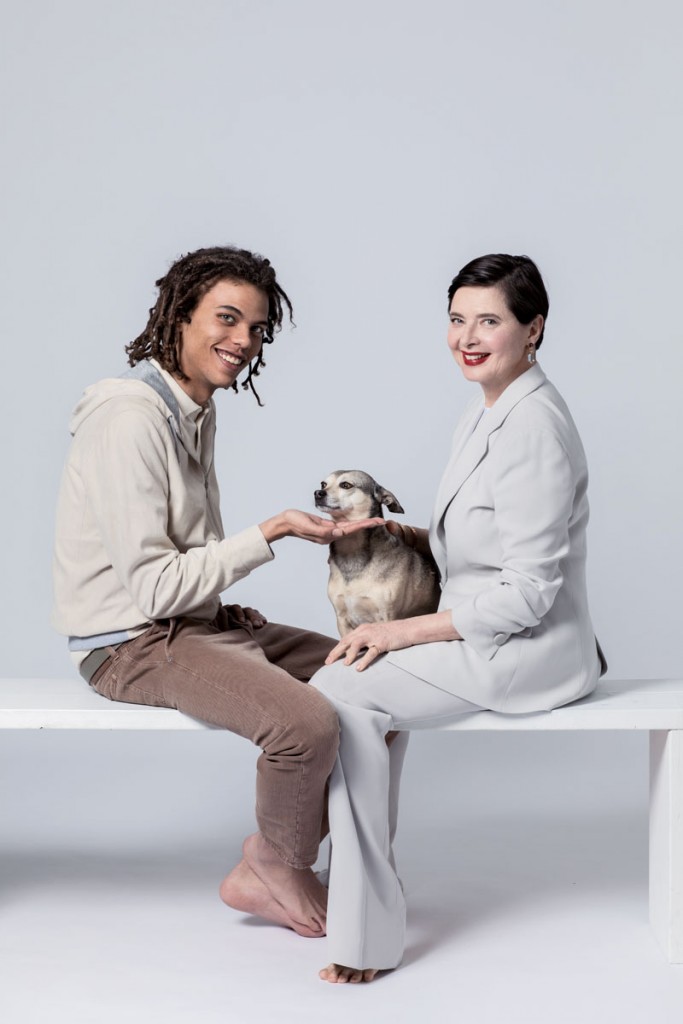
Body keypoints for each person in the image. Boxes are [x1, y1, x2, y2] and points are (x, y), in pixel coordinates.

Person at [51, 245, 380, 939]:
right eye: (226, 320)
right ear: (179, 317)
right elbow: (147, 586)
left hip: (185, 623)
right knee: (305, 723)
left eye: (257, 329)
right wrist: (273, 530)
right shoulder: (129, 419)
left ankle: (329, 855)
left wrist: (216, 610)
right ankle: (274, 867)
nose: (243, 342)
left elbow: (178, 561)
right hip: (129, 645)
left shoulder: (193, 410)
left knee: (375, 673)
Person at [310, 253, 607, 982]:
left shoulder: (531, 425)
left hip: (528, 646)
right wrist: (384, 532)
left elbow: (528, 591)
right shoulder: (487, 410)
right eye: (455, 319)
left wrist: (396, 631)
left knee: (345, 687)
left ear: (533, 329)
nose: (466, 336)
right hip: (485, 629)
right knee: (351, 685)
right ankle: (361, 891)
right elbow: (472, 542)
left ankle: (364, 932)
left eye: (489, 320)